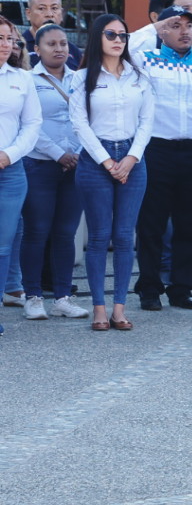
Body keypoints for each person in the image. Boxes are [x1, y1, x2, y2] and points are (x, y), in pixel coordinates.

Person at [132, 4, 192, 312]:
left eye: (188, 25)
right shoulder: (146, 60)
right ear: (162, 31)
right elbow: (125, 47)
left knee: (189, 224)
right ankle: (149, 287)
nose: (185, 31)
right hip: (156, 150)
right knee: (151, 224)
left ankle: (182, 288)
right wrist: (154, 27)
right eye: (175, 25)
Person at [70, 14, 152, 331]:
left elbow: (147, 121)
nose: (118, 40)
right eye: (110, 34)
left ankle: (119, 308)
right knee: (99, 236)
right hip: (95, 160)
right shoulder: (82, 78)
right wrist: (107, 162)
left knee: (124, 237)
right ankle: (99, 309)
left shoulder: (138, 76)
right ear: (97, 38)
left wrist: (131, 157)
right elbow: (80, 124)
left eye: (122, 35)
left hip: (133, 157)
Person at [19, 23, 87, 320]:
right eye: (51, 44)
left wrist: (79, 152)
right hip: (39, 165)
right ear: (37, 49)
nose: (59, 48)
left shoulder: (79, 79)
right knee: (36, 232)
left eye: (63, 43)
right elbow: (29, 124)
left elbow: (87, 120)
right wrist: (59, 153)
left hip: (75, 166)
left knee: (65, 233)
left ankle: (62, 297)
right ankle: (33, 296)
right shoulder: (27, 80)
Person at [0, 17, 38, 334]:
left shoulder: (22, 79)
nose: (5, 45)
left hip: (10, 170)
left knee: (3, 244)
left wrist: (9, 154)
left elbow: (32, 124)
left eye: (9, 39)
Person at [21, 0, 81, 68]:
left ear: (61, 13)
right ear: (28, 13)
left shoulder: (73, 51)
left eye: (54, 8)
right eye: (42, 8)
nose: (49, 14)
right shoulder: (19, 48)